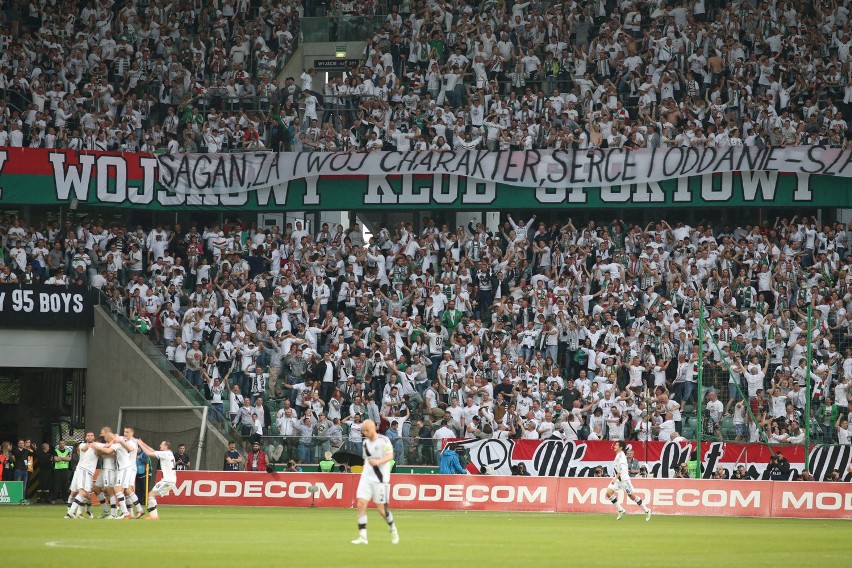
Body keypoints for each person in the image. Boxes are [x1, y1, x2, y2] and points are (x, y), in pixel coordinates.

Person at [351, 419, 399, 545]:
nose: (365, 433)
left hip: (380, 479)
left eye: (367, 430)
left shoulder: (384, 440)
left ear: (373, 428)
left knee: (381, 510)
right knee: (361, 504)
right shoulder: (365, 443)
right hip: (366, 478)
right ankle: (363, 537)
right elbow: (366, 460)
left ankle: (392, 527)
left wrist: (378, 462)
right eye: (363, 431)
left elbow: (390, 456)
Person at [605, 441, 652, 521]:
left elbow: (622, 469)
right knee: (608, 493)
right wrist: (616, 478)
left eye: (616, 445)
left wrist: (615, 478)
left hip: (624, 480)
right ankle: (621, 510)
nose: (614, 446)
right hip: (618, 480)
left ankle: (647, 510)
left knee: (632, 496)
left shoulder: (622, 457)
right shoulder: (618, 455)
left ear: (621, 447)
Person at [136, 438, 177, 520]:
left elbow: (148, 453)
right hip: (169, 480)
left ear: (166, 446)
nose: (160, 445)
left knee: (151, 495)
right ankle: (153, 515)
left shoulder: (165, 454)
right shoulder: (168, 453)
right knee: (151, 495)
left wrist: (140, 444)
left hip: (168, 480)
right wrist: (143, 443)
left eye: (161, 444)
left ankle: (154, 516)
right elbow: (152, 450)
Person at [53, 439, 72, 504]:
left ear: (65, 444)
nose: (61, 445)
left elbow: (68, 459)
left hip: (65, 470)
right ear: (58, 444)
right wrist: (64, 458)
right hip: (57, 470)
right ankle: (54, 499)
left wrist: (60, 457)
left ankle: (65, 499)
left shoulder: (67, 451)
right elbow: (56, 459)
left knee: (65, 485)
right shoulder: (55, 451)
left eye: (63, 443)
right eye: (60, 443)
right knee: (56, 485)